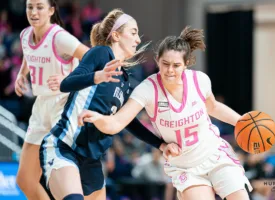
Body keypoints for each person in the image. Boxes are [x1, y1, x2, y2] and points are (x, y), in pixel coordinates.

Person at [78, 26, 254, 200]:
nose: (170, 70)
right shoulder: (147, 89)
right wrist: (98, 118)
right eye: (165, 64)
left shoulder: (199, 80)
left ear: (186, 64)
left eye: (176, 65)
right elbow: (117, 123)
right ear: (157, 60)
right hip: (185, 166)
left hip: (215, 154)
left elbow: (213, 107)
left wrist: (243, 123)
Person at [40, 9, 180, 200]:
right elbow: (67, 83)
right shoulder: (101, 53)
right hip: (65, 147)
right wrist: (98, 76)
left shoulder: (123, 79)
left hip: (92, 160)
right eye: (133, 32)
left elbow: (128, 121)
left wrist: (160, 144)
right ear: (115, 35)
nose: (138, 39)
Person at [15, 0, 89, 199]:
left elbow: (91, 59)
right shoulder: (25, 35)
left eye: (39, 7)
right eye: (30, 6)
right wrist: (22, 74)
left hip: (63, 105)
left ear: (51, 10)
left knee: (59, 178)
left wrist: (68, 79)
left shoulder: (59, 37)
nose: (34, 11)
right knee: (25, 179)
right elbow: (29, 54)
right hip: (41, 106)